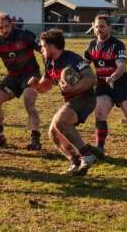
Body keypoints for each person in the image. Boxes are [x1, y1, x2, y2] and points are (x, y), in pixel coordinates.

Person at [28, 28, 99, 176]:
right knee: (53, 132)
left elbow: (91, 79)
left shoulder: (72, 59)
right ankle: (75, 162)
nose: (40, 49)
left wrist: (73, 88)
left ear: (52, 46)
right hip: (72, 99)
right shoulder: (49, 62)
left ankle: (87, 155)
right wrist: (35, 85)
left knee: (60, 122)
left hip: (85, 98)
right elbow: (44, 87)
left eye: (42, 46)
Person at [0, 12, 43, 150]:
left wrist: (48, 71)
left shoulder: (24, 35)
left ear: (11, 25)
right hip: (13, 77)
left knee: (29, 103)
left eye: (7, 26)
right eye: (1, 27)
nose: (4, 30)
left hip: (31, 74)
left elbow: (43, 50)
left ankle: (35, 139)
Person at [84, 15, 127, 157]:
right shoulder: (92, 45)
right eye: (97, 26)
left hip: (121, 85)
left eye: (102, 26)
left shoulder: (117, 44)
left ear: (109, 27)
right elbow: (83, 64)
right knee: (99, 114)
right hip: (102, 86)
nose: (99, 29)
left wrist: (114, 76)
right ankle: (100, 148)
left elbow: (122, 65)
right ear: (93, 27)